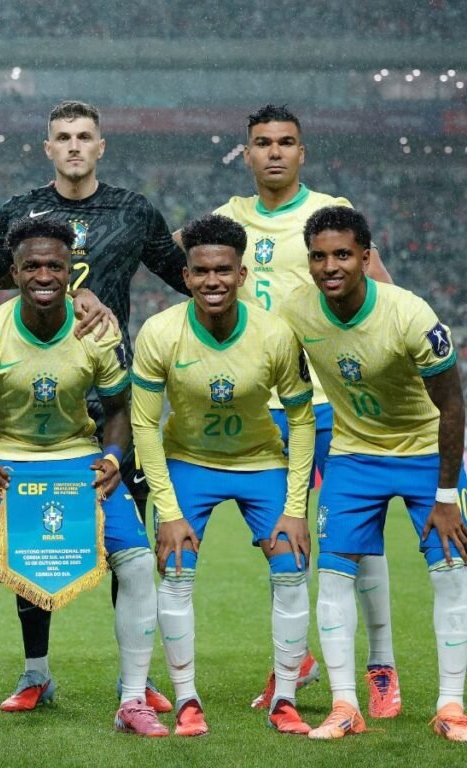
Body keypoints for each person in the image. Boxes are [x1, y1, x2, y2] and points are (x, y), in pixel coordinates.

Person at [0, 99, 185, 713]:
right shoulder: (21, 214)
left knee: (125, 544)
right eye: (63, 137)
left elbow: (188, 275)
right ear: (48, 148)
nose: (73, 146)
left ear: (100, 146)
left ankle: (135, 680)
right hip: (32, 398)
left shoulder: (134, 210)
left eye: (84, 136)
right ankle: (35, 671)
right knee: (29, 537)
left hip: (111, 395)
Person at [202, 104, 399, 714]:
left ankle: (381, 665)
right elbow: (178, 263)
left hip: (331, 403)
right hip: (261, 409)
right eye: (263, 143)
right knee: (278, 540)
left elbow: (386, 296)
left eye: (286, 142)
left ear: (301, 152)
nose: (275, 152)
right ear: (247, 154)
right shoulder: (227, 218)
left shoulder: (330, 212)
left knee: (357, 537)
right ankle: (295, 661)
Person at [278, 206, 467, 741]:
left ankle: (451, 707)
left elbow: (453, 406)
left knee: (452, 574)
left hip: (425, 454)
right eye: (319, 256)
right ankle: (345, 706)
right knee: (334, 576)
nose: (330, 266)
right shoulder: (297, 313)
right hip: (354, 456)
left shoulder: (409, 314)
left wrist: (446, 494)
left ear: (365, 257)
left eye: (342, 254)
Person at [132, 214, 316, 736]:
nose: (212, 281)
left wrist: (295, 507)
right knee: (175, 571)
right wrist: (168, 510)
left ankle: (285, 698)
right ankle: (187, 700)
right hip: (189, 462)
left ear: (241, 274)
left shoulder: (275, 334)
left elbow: (302, 419)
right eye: (201, 271)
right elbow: (145, 425)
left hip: (261, 461)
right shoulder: (160, 333)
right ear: (186, 276)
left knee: (291, 568)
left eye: (223, 270)